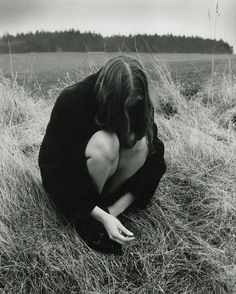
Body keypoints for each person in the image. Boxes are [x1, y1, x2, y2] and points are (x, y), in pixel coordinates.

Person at [38, 55, 166, 255]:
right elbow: (55, 172)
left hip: (107, 190)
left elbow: (155, 163)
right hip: (76, 184)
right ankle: (87, 221)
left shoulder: (137, 104)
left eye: (132, 105)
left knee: (143, 142)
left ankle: (104, 209)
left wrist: (114, 211)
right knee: (107, 142)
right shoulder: (72, 101)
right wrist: (99, 215)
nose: (127, 111)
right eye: (124, 105)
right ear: (109, 95)